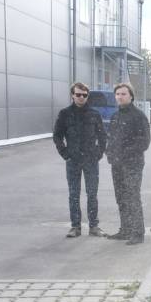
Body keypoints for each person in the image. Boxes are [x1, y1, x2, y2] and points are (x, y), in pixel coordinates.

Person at [53, 81, 107, 238]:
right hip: (73, 160)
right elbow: (57, 135)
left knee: (92, 193)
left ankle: (94, 226)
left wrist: (99, 153)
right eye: (78, 94)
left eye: (84, 95)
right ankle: (75, 226)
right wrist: (65, 153)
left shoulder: (94, 114)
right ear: (72, 95)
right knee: (74, 194)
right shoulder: (64, 114)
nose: (81, 97)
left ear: (87, 96)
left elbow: (102, 136)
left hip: (91, 160)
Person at [105, 82, 151, 245]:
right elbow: (110, 138)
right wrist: (109, 152)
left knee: (132, 197)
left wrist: (125, 153)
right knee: (121, 197)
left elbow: (144, 142)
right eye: (117, 94)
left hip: (132, 164)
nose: (120, 97)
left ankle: (138, 233)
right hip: (116, 164)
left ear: (131, 96)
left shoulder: (138, 116)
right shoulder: (115, 116)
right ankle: (125, 230)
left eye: (123, 94)